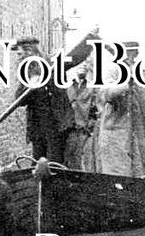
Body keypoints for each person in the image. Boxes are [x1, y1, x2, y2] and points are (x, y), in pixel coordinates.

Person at [13, 31, 96, 165]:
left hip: (56, 125)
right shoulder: (27, 72)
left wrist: (90, 39)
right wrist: (29, 85)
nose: (18, 57)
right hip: (38, 127)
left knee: (54, 164)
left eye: (20, 53)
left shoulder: (53, 65)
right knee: (37, 163)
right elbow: (19, 100)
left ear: (30, 51)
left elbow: (74, 58)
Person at [94, 42, 145, 177]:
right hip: (115, 133)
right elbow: (106, 94)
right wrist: (127, 83)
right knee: (117, 176)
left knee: (139, 176)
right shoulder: (112, 70)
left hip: (137, 133)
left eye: (134, 52)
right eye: (128, 52)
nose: (132, 56)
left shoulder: (140, 71)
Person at [65, 63, 97, 170]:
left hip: (84, 128)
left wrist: (91, 123)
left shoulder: (91, 88)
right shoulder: (69, 86)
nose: (82, 68)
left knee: (85, 156)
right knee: (70, 156)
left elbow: (94, 106)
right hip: (70, 128)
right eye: (80, 66)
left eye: (85, 66)